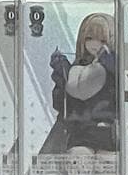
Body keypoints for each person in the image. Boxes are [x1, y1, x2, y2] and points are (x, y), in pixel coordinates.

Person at [47, 13, 118, 158]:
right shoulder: (75, 69)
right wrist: (61, 77)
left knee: (107, 163)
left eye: (102, 40)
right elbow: (60, 104)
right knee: (78, 157)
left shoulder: (114, 68)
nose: (94, 44)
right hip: (79, 133)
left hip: (106, 132)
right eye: (89, 38)